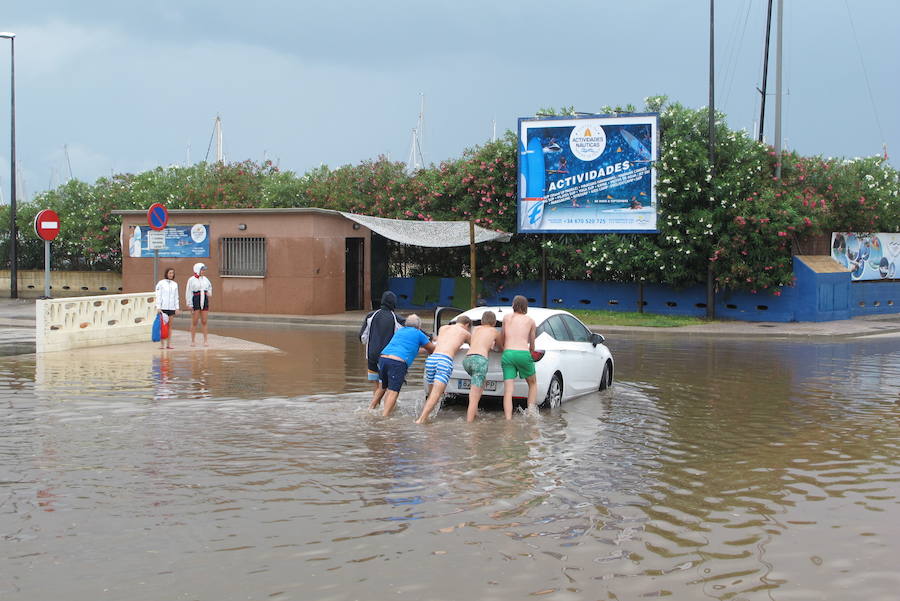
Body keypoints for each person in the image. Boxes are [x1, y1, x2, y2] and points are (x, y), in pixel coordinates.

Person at [370, 314, 435, 417]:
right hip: (397, 363)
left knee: (382, 387)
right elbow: (432, 349)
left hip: (383, 358)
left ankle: (370, 409)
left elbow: (409, 348)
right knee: (393, 391)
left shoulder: (400, 331)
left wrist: (420, 350)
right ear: (419, 326)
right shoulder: (419, 334)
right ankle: (384, 417)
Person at [415, 315, 472, 424]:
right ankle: (421, 420)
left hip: (432, 359)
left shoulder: (443, 328)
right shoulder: (465, 333)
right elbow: (475, 345)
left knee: (431, 394)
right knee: (437, 394)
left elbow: (442, 340)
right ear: (467, 325)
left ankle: (426, 417)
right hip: (444, 361)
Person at [360, 291, 405, 406]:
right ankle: (387, 409)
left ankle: (375, 408)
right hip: (387, 357)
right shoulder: (396, 318)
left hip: (371, 356)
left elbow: (362, 337)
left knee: (376, 385)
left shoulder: (370, 316)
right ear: (394, 303)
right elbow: (409, 331)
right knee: (387, 385)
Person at [462, 311, 503, 422]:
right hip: (480, 361)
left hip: (467, 360)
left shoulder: (476, 329)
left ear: (482, 321)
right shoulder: (494, 331)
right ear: (494, 322)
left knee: (481, 383)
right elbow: (500, 348)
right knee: (473, 396)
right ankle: (469, 424)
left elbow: (474, 343)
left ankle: (475, 413)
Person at [501, 295, 537, 419]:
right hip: (523, 353)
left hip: (508, 354)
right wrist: (531, 352)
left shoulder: (506, 318)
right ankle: (531, 414)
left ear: (513, 305)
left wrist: (501, 349)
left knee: (508, 391)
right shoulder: (530, 321)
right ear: (525, 306)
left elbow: (502, 337)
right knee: (532, 383)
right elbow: (532, 344)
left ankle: (508, 419)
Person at [185, 262, 212, 346]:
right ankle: (193, 341)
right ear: (197, 270)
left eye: (204, 270)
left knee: (204, 321)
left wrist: (209, 293)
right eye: (202, 270)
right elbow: (188, 291)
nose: (203, 271)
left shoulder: (206, 279)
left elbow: (210, 287)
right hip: (196, 299)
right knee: (195, 321)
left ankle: (205, 340)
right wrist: (189, 303)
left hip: (204, 299)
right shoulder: (191, 279)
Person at [154, 267, 179, 349]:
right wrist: (158, 307)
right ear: (166, 274)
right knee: (163, 326)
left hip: (171, 308)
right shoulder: (161, 283)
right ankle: (162, 344)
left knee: (170, 326)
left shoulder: (175, 284)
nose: (171, 274)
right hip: (163, 308)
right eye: (170, 273)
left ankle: (169, 344)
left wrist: (177, 307)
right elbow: (158, 295)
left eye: (172, 273)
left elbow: (176, 297)